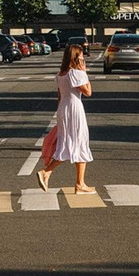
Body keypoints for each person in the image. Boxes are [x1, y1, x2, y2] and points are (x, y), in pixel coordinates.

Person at [38, 44, 95, 194]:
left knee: (68, 143)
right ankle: (50, 173)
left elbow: (59, 96)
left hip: (63, 108)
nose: (83, 58)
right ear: (76, 57)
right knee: (80, 142)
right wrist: (84, 73)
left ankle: (78, 182)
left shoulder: (61, 74)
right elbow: (88, 92)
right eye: (81, 55)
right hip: (75, 108)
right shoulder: (76, 73)